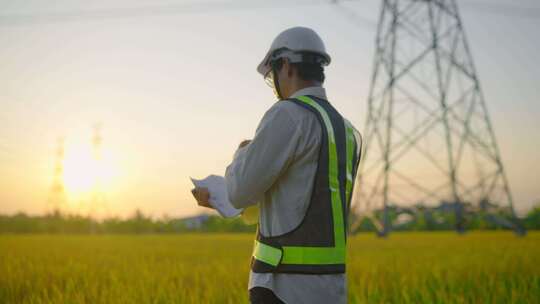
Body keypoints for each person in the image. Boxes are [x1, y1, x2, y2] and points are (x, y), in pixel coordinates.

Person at [192, 26, 362, 304]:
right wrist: (220, 200)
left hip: (281, 286)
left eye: (273, 74)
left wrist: (242, 154)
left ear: (285, 65)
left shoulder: (289, 115)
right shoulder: (347, 131)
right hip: (330, 288)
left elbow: (240, 191)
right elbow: (300, 199)